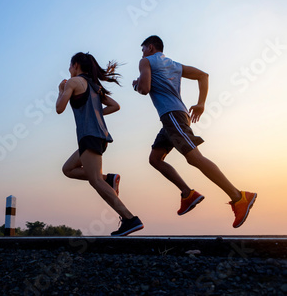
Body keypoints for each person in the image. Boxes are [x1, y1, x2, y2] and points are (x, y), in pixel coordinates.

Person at [133, 35, 257, 228]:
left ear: (150, 47)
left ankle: (238, 196)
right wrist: (201, 103)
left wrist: (138, 83)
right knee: (155, 159)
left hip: (172, 117)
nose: (141, 53)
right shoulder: (172, 64)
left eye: (142, 49)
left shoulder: (145, 62)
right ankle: (187, 194)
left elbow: (145, 88)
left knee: (194, 158)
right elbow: (203, 75)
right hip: (175, 117)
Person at [56, 52, 144, 236]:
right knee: (68, 169)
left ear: (77, 65)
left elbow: (59, 108)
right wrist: (95, 112)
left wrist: (60, 90)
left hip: (89, 136)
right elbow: (115, 105)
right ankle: (109, 179)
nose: (69, 69)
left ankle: (130, 219)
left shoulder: (73, 83)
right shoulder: (95, 86)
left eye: (70, 66)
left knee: (94, 180)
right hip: (100, 136)